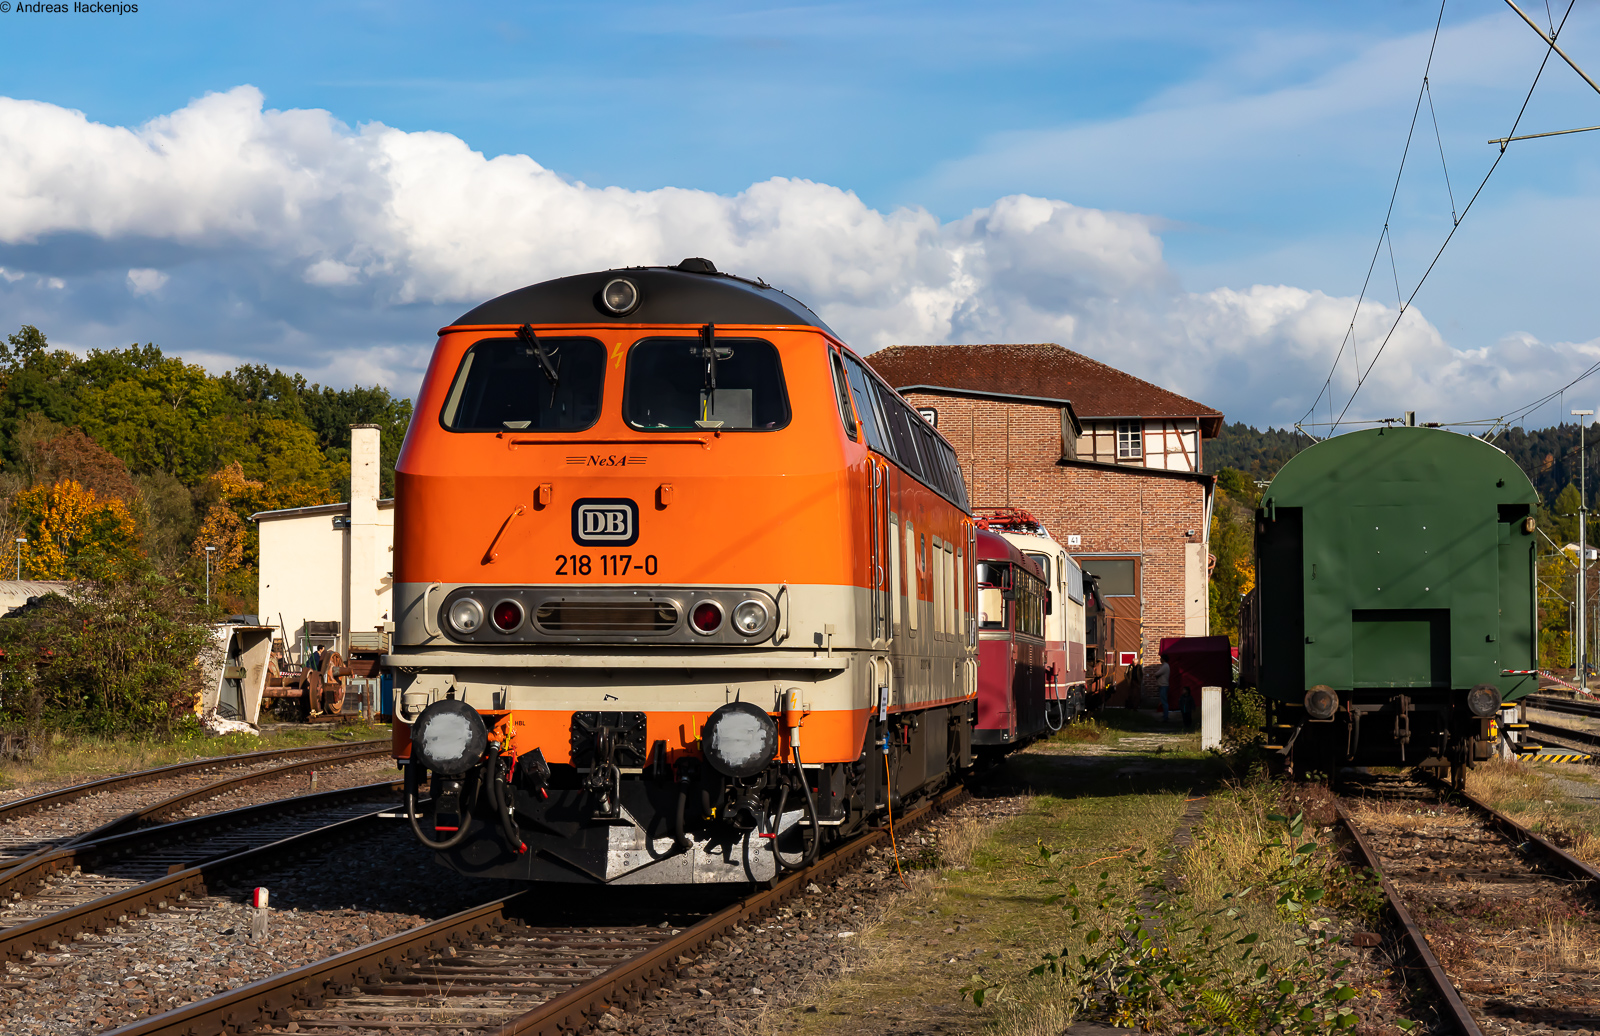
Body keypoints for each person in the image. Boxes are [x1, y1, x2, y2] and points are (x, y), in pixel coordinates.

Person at [1155, 655, 1171, 722]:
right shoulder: (1165, 665)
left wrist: (1156, 674)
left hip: (1163, 686)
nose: (1160, 659)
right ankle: (1165, 715)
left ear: (1163, 659)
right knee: (1163, 701)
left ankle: (1166, 717)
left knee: (1164, 701)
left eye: (1161, 658)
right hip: (1163, 685)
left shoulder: (1165, 666)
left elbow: (1157, 673)